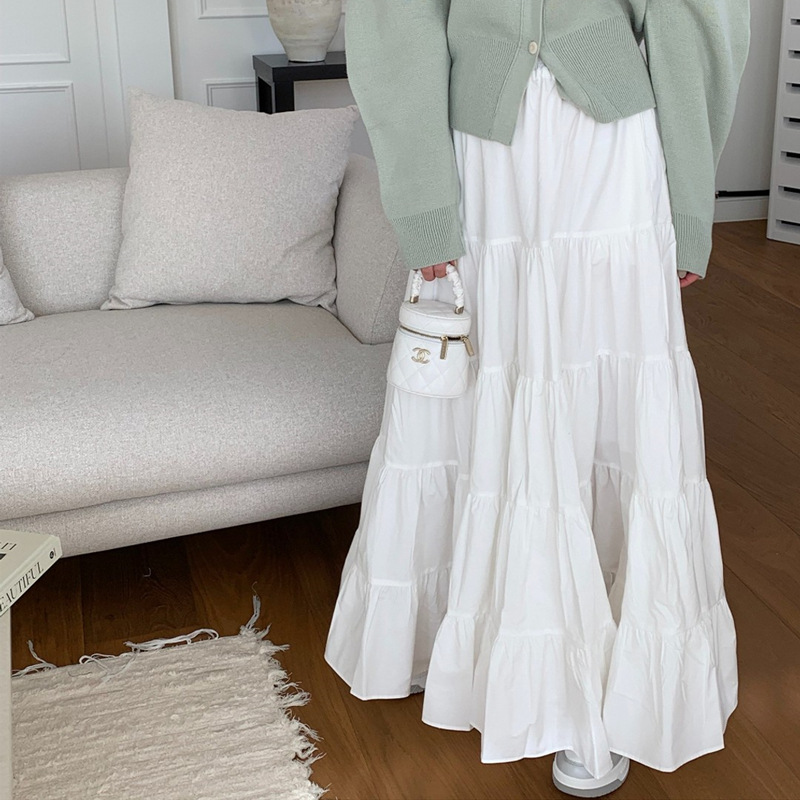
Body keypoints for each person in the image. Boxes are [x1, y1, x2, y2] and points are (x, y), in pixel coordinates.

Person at [324, 2, 751, 796]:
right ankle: (466, 641)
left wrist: (689, 197)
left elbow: (700, 15)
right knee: (493, 379)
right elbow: (395, 19)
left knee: (604, 396)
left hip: (614, 152)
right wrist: (424, 202)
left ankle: (595, 697)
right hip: (488, 156)